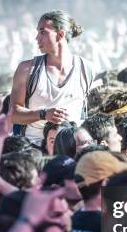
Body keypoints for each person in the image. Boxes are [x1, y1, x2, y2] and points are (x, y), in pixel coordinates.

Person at [10, 10, 96, 144]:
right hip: (35, 149)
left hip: (72, 150)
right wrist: (43, 114)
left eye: (43, 32)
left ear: (60, 35)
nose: (37, 37)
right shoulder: (27, 69)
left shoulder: (87, 69)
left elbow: (89, 112)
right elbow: (13, 115)